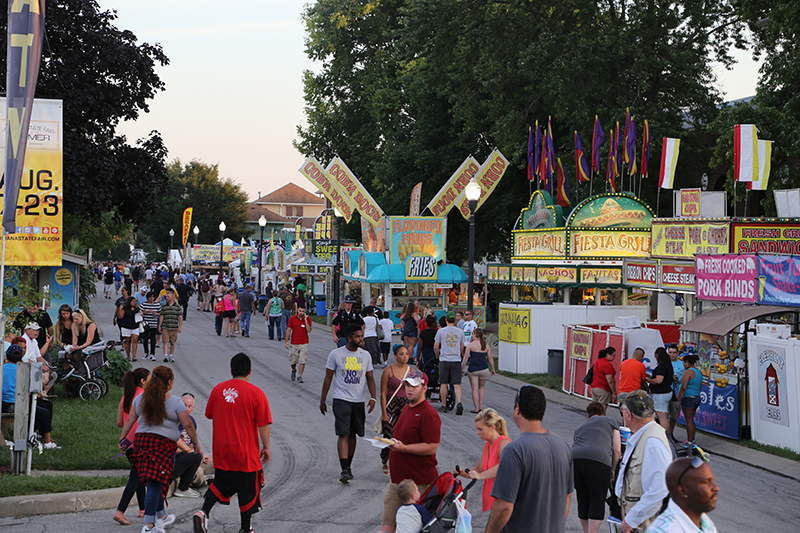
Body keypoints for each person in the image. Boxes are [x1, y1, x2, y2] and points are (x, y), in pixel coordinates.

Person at [193, 353, 272, 533]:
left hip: (222, 452)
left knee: (220, 483)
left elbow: (209, 413)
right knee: (248, 491)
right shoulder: (256, 393)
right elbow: (263, 424)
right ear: (250, 371)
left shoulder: (218, 390)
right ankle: (245, 529)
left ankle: (203, 512)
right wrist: (266, 447)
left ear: (231, 370)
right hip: (245, 454)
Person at [119, 366, 199, 533]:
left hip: (142, 443)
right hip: (162, 446)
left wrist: (123, 439)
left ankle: (162, 516)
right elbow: (188, 424)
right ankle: (148, 526)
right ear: (169, 382)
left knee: (155, 481)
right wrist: (196, 443)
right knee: (155, 484)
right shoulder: (175, 401)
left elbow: (130, 421)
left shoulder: (140, 399)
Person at [485, 385, 573, 533]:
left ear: (517, 409)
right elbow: (567, 496)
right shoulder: (563, 446)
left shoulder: (515, 450)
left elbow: (504, 505)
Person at [381, 368, 440, 533]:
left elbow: (431, 446)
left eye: (414, 386)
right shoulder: (407, 408)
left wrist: (404, 448)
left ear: (424, 387)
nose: (409, 389)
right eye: (406, 385)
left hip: (418, 485)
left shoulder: (429, 414)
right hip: (398, 482)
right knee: (387, 525)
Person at [319, 323, 377, 483]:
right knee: (343, 432)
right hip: (341, 399)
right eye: (358, 337)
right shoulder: (336, 354)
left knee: (353, 434)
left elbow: (370, 378)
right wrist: (323, 400)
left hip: (358, 401)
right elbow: (328, 378)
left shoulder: (366, 356)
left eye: (362, 336)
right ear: (349, 338)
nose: (361, 339)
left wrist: (373, 398)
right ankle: (344, 468)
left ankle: (348, 466)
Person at [615, 390, 674, 533]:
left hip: (641, 524)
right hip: (635, 520)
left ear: (628, 415)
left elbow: (659, 489)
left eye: (622, 410)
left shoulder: (653, 442)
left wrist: (631, 521)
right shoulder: (644, 435)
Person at [571, 402, 621, 533]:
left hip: (575, 460)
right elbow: (617, 450)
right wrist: (613, 469)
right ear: (603, 413)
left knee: (583, 498)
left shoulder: (581, 426)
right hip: (599, 461)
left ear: (589, 415)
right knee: (597, 499)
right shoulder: (610, 421)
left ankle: (587, 531)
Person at [454, 408, 511, 514]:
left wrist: (480, 476)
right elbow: (479, 469)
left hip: (502, 503)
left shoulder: (504, 443)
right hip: (490, 503)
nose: (477, 433)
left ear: (492, 427)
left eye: (480, 429)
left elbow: (504, 466)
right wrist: (463, 473)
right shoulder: (488, 444)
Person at [2, 344, 58, 448]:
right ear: (20, 357)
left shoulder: (2, 368)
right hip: (16, 405)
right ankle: (47, 443)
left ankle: (32, 434)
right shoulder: (23, 370)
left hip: (4, 404)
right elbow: (29, 392)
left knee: (41, 406)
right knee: (44, 413)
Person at [114, 368, 150, 525]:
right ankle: (120, 511)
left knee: (138, 473)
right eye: (150, 379)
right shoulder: (145, 398)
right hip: (141, 443)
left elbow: (120, 422)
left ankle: (143, 509)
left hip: (128, 444)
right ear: (142, 381)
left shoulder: (125, 397)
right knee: (135, 477)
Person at [647, 457, 719, 533]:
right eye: (706, 482)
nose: (716, 488)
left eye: (712, 480)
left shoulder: (704, 521)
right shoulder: (664, 530)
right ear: (683, 491)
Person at [379, 345, 412, 474]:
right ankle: (385, 459)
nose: (404, 356)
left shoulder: (412, 372)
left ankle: (400, 462)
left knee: (404, 435)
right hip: (391, 403)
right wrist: (384, 413)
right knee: (388, 434)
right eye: (402, 354)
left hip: (406, 405)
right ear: (396, 356)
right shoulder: (388, 371)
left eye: (406, 354)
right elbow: (383, 393)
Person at [172, 393, 206, 498]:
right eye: (184, 405)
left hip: (183, 458)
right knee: (196, 458)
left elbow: (192, 445)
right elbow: (174, 448)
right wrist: (190, 452)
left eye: (189, 406)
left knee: (199, 457)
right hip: (170, 462)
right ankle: (183, 488)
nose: (186, 409)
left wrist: (201, 454)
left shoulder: (191, 422)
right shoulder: (173, 421)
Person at [433, 312, 465, 415]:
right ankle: (459, 402)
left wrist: (438, 356)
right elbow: (461, 347)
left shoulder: (441, 332)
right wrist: (460, 356)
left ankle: (444, 405)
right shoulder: (460, 332)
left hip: (444, 359)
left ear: (446, 320)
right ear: (455, 320)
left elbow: (436, 347)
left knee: (443, 383)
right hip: (456, 360)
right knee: (457, 383)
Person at [462, 328, 495, 413]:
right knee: (481, 388)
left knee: (474, 389)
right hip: (484, 369)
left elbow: (465, 358)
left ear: (475, 335)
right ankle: (481, 407)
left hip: (473, 369)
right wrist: (493, 369)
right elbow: (490, 359)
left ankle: (476, 408)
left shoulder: (471, 345)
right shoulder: (486, 345)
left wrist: (462, 368)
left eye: (473, 334)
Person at [676, 353, 702, 445]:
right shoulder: (698, 372)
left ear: (687, 362)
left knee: (689, 420)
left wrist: (678, 400)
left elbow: (683, 387)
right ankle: (691, 439)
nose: (683, 365)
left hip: (688, 397)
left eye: (683, 363)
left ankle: (690, 442)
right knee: (691, 419)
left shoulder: (687, 372)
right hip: (696, 396)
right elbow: (700, 385)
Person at [21, 323, 55, 394]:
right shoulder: (23, 341)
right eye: (34, 330)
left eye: (38, 330)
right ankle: (35, 395)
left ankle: (43, 393)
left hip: (36, 366)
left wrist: (44, 365)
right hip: (28, 367)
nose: (37, 332)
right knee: (42, 378)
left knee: (53, 375)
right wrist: (40, 367)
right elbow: (26, 359)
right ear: (28, 330)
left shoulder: (34, 341)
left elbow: (39, 356)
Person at [646, 347, 675, 430]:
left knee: (662, 416)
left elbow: (658, 380)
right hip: (666, 392)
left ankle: (664, 437)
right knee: (663, 415)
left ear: (658, 355)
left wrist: (648, 380)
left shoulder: (662, 366)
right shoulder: (668, 365)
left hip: (661, 394)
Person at [285, 303, 312, 383]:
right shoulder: (292, 319)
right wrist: (286, 341)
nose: (301, 313)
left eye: (303, 311)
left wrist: (306, 320)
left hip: (304, 342)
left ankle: (300, 376)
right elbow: (289, 330)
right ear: (297, 310)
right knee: (293, 360)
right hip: (294, 343)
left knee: (302, 360)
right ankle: (293, 369)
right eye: (300, 311)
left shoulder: (308, 319)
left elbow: (309, 330)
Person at [159, 288, 183, 363]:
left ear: (172, 297)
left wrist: (179, 327)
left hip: (174, 327)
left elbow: (180, 317)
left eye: (168, 297)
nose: (167, 298)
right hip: (166, 326)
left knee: (172, 342)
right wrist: (160, 325)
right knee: (165, 341)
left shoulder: (177, 307)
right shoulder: (164, 306)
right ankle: (165, 355)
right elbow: (161, 316)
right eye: (166, 297)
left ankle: (171, 355)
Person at [668, 344, 685, 441]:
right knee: (663, 414)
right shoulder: (665, 363)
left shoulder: (682, 364)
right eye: (670, 352)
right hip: (666, 391)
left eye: (674, 352)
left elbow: (685, 378)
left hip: (677, 391)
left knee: (674, 414)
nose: (672, 355)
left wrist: (679, 380)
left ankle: (670, 433)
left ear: (678, 353)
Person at [118, 296, 141, 362]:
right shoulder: (125, 309)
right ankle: (128, 355)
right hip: (126, 326)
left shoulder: (137, 309)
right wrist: (120, 309)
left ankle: (134, 355)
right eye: (133, 301)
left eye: (135, 301)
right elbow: (120, 317)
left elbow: (140, 315)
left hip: (135, 327)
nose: (134, 303)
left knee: (134, 340)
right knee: (127, 342)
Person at [141, 291, 162, 361]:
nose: (151, 298)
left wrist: (156, 314)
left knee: (153, 339)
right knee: (145, 339)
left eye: (153, 297)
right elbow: (140, 313)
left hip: (153, 324)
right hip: (145, 324)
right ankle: (146, 352)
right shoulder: (144, 304)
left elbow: (161, 313)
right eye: (150, 297)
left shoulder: (157, 305)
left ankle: (152, 353)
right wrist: (146, 312)